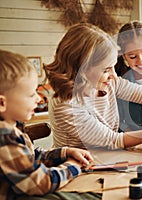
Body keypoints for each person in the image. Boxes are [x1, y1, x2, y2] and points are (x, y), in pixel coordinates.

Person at [0, 49, 93, 199]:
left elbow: (31, 157)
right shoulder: (4, 137)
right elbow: (42, 182)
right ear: (1, 103)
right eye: (31, 94)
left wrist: (66, 152)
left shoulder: (13, 126)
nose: (39, 99)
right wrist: (73, 167)